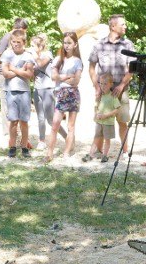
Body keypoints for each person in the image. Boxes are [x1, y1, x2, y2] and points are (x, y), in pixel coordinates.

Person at [88, 14, 134, 150]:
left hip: (122, 90)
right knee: (101, 121)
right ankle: (98, 151)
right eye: (123, 24)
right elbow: (91, 67)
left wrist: (121, 86)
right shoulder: (99, 45)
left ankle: (125, 152)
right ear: (113, 26)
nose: (125, 27)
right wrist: (97, 87)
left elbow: (131, 69)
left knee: (122, 122)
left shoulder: (128, 44)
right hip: (104, 91)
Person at [46, 32, 83, 162]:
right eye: (65, 42)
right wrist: (67, 77)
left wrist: (62, 78)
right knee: (55, 123)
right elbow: (53, 76)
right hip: (60, 94)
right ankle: (49, 153)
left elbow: (76, 81)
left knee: (71, 126)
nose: (66, 46)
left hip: (73, 94)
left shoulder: (78, 61)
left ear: (75, 44)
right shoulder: (58, 59)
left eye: (69, 43)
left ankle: (66, 152)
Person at [0, 29, 36, 159]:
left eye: (18, 42)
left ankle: (25, 147)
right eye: (14, 42)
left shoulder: (28, 56)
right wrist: (21, 70)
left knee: (24, 121)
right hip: (11, 91)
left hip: (24, 92)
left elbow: (29, 74)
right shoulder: (7, 54)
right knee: (13, 121)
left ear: (24, 42)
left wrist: (13, 69)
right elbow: (5, 73)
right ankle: (12, 146)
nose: (16, 44)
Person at [30, 34, 66, 149]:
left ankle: (67, 137)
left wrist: (34, 55)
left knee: (50, 119)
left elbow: (40, 64)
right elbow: (32, 73)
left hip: (48, 89)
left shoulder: (47, 54)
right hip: (37, 89)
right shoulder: (33, 57)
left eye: (32, 46)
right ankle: (41, 141)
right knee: (40, 117)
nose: (30, 48)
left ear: (40, 47)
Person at [0, 18, 28, 137]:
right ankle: (7, 131)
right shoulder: (7, 38)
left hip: (14, 71)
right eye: (24, 31)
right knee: (5, 102)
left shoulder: (17, 39)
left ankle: (14, 130)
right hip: (4, 73)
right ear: (19, 28)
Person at [84, 72, 120, 163]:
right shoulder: (99, 95)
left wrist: (106, 115)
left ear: (111, 84)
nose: (102, 86)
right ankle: (91, 154)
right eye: (101, 83)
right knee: (96, 137)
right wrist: (96, 114)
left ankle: (105, 155)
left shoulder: (113, 96)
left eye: (105, 84)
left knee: (107, 139)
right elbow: (96, 106)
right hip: (99, 122)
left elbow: (117, 109)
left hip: (108, 122)